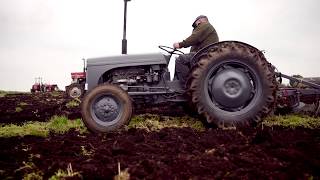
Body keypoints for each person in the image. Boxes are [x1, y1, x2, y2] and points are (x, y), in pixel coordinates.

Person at [173, 15, 219, 88]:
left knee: (180, 59)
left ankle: (187, 87)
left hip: (205, 54)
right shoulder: (207, 28)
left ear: (199, 21)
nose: (196, 26)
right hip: (203, 53)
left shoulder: (205, 25)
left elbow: (195, 37)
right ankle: (175, 84)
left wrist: (180, 44)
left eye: (195, 24)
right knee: (182, 59)